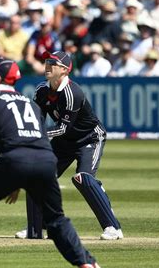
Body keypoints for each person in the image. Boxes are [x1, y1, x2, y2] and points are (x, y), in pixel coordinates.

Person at [0, 57, 103, 268]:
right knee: (55, 218)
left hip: (14, 161)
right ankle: (86, 262)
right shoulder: (30, 103)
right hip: (46, 160)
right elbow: (38, 137)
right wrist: (16, 181)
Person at [16, 51, 123, 241]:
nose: (47, 65)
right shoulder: (41, 89)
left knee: (83, 179)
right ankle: (37, 228)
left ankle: (113, 227)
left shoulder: (72, 92)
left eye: (53, 63)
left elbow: (63, 128)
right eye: (47, 61)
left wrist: (39, 136)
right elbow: (37, 119)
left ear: (64, 70)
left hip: (89, 139)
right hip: (63, 143)